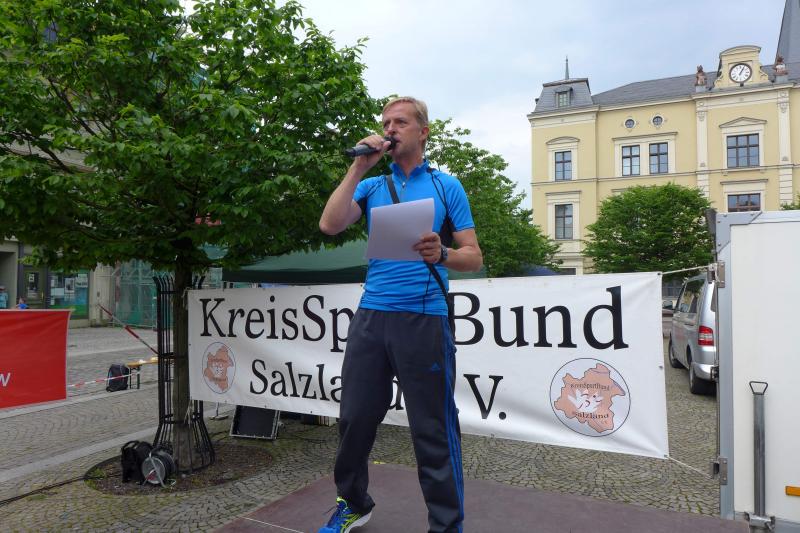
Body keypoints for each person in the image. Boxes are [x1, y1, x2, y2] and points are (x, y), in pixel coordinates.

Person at [317, 96, 483, 533]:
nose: (390, 128)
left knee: (432, 429)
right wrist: (358, 167)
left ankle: (446, 525)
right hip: (372, 316)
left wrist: (443, 253)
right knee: (354, 418)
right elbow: (329, 225)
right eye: (386, 122)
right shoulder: (372, 186)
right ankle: (354, 503)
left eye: (401, 122)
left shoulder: (447, 186)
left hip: (425, 318)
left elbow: (473, 257)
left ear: (423, 132)